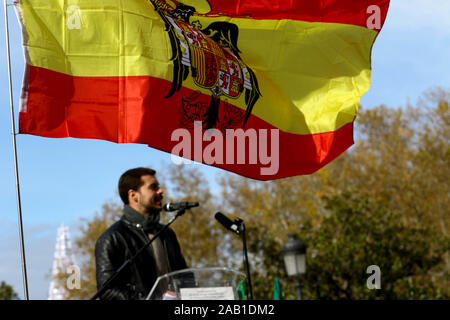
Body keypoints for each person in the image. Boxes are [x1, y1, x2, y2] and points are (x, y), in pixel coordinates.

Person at [95, 167, 188, 300]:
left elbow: (185, 276)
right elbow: (107, 291)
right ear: (133, 195)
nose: (161, 191)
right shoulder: (112, 238)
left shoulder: (167, 233)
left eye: (159, 187)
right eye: (153, 187)